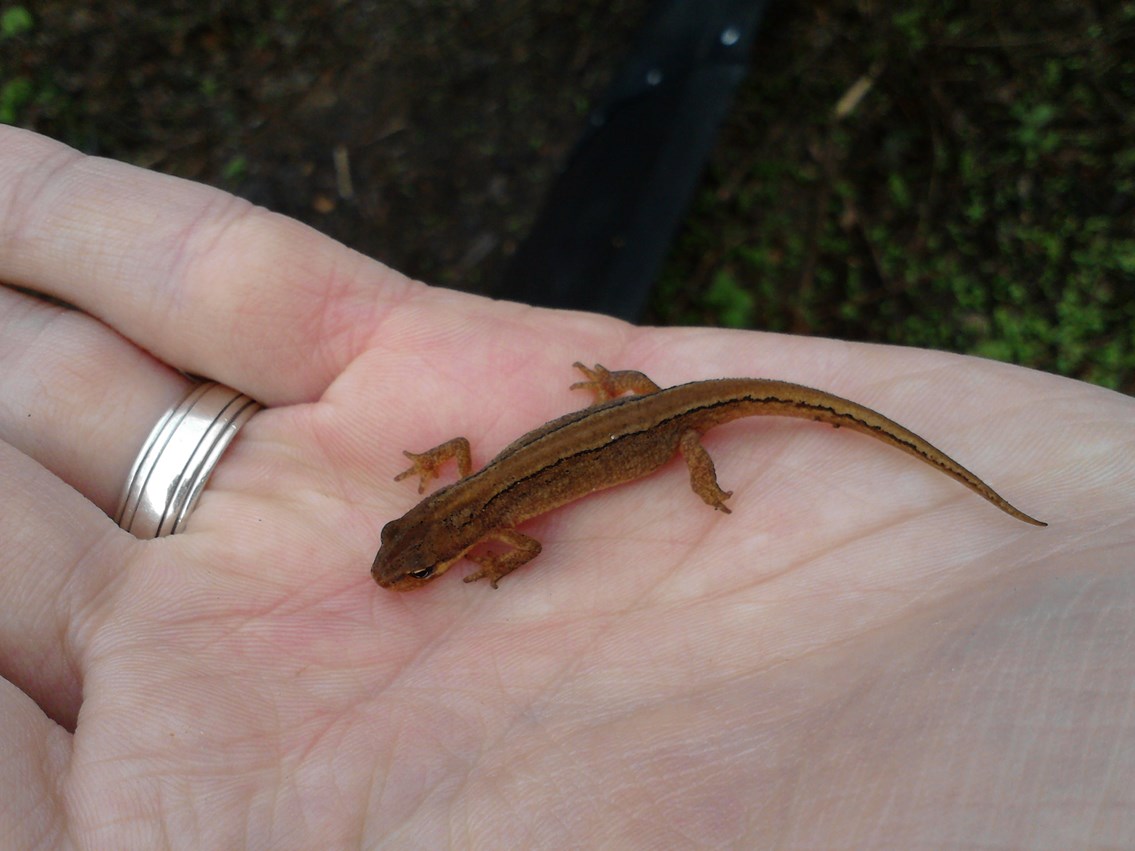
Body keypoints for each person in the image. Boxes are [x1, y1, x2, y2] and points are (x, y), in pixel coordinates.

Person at [2, 124, 1132, 848]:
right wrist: (476, 487)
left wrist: (516, 539)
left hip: (657, 425)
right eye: (425, 551)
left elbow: (530, 537)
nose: (423, 562)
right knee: (625, 415)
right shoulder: (467, 490)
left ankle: (682, 442)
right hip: (622, 409)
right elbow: (452, 453)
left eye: (432, 560)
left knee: (678, 437)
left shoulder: (497, 514)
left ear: (449, 540)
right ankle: (629, 397)